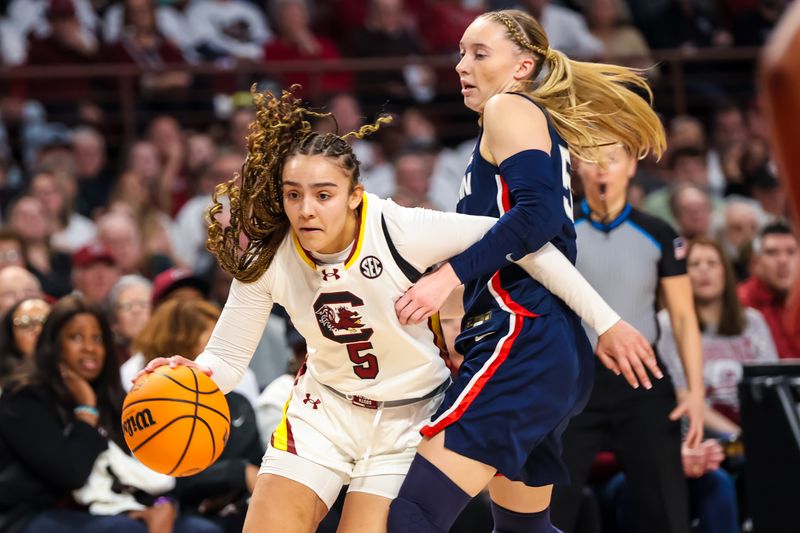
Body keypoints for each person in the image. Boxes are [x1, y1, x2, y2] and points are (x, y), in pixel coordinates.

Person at [138, 86, 654, 533]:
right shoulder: (269, 258)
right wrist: (196, 374)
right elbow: (228, 356)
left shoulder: (401, 230)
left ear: (355, 196)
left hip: (408, 417)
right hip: (324, 412)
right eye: (294, 195)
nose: (306, 209)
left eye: (323, 194)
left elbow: (530, 247)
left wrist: (605, 321)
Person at [388, 9, 673, 532]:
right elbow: (525, 244)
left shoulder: (508, 109)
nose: (460, 66)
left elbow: (537, 219)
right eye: (459, 53)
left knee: (409, 515)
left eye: (479, 54)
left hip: (522, 336)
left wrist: (447, 278)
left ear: (523, 67)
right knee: (524, 528)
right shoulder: (515, 127)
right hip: (546, 343)